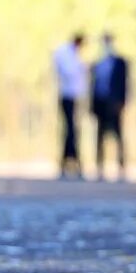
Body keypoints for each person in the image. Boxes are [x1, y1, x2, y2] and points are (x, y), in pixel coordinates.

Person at [90, 31, 130, 181]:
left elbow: (124, 84)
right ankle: (99, 166)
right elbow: (93, 86)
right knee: (99, 137)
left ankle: (121, 166)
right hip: (100, 104)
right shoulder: (97, 63)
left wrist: (122, 101)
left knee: (118, 136)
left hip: (114, 104)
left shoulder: (119, 62)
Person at [52, 32, 89, 179]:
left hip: (75, 96)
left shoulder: (74, 55)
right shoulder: (64, 53)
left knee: (72, 130)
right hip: (67, 95)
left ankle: (69, 160)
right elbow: (68, 73)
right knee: (70, 130)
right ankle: (71, 160)